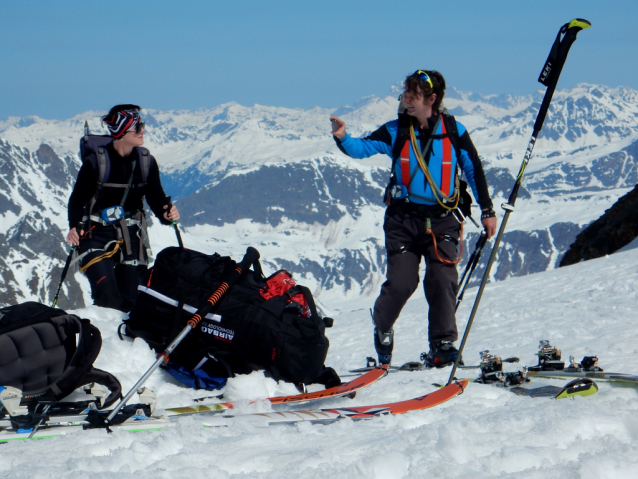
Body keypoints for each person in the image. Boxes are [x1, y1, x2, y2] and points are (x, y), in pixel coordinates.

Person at [331, 70, 497, 367]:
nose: (405, 100)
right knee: (402, 283)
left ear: (431, 99)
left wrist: (487, 210)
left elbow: (473, 169)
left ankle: (442, 344)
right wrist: (343, 136)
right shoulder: (396, 130)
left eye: (413, 96)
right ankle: (382, 325)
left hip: (443, 220)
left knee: (441, 278)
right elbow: (363, 148)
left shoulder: (454, 130)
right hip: (402, 221)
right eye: (404, 94)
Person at [66, 104, 180, 312]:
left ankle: (130, 342)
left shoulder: (146, 162)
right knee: (108, 298)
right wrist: (74, 226)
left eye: (141, 126)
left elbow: (156, 198)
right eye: (137, 127)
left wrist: (166, 213)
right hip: (95, 234)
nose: (142, 130)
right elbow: (77, 200)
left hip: (131, 236)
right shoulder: (95, 162)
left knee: (134, 300)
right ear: (121, 132)